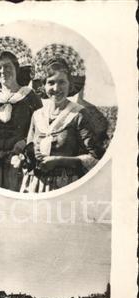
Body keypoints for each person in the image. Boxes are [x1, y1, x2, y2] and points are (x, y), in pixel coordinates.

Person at [18, 43, 103, 193]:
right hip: (36, 185)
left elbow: (94, 159)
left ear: (70, 85)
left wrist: (59, 161)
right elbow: (29, 150)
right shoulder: (38, 115)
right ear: (43, 86)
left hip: (66, 185)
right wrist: (25, 158)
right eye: (51, 82)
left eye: (62, 82)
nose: (56, 89)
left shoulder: (78, 114)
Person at [0, 36, 42, 191]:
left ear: (16, 68)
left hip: (20, 162)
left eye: (7, 66)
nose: (3, 71)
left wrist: (24, 144)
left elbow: (41, 130)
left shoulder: (30, 96)